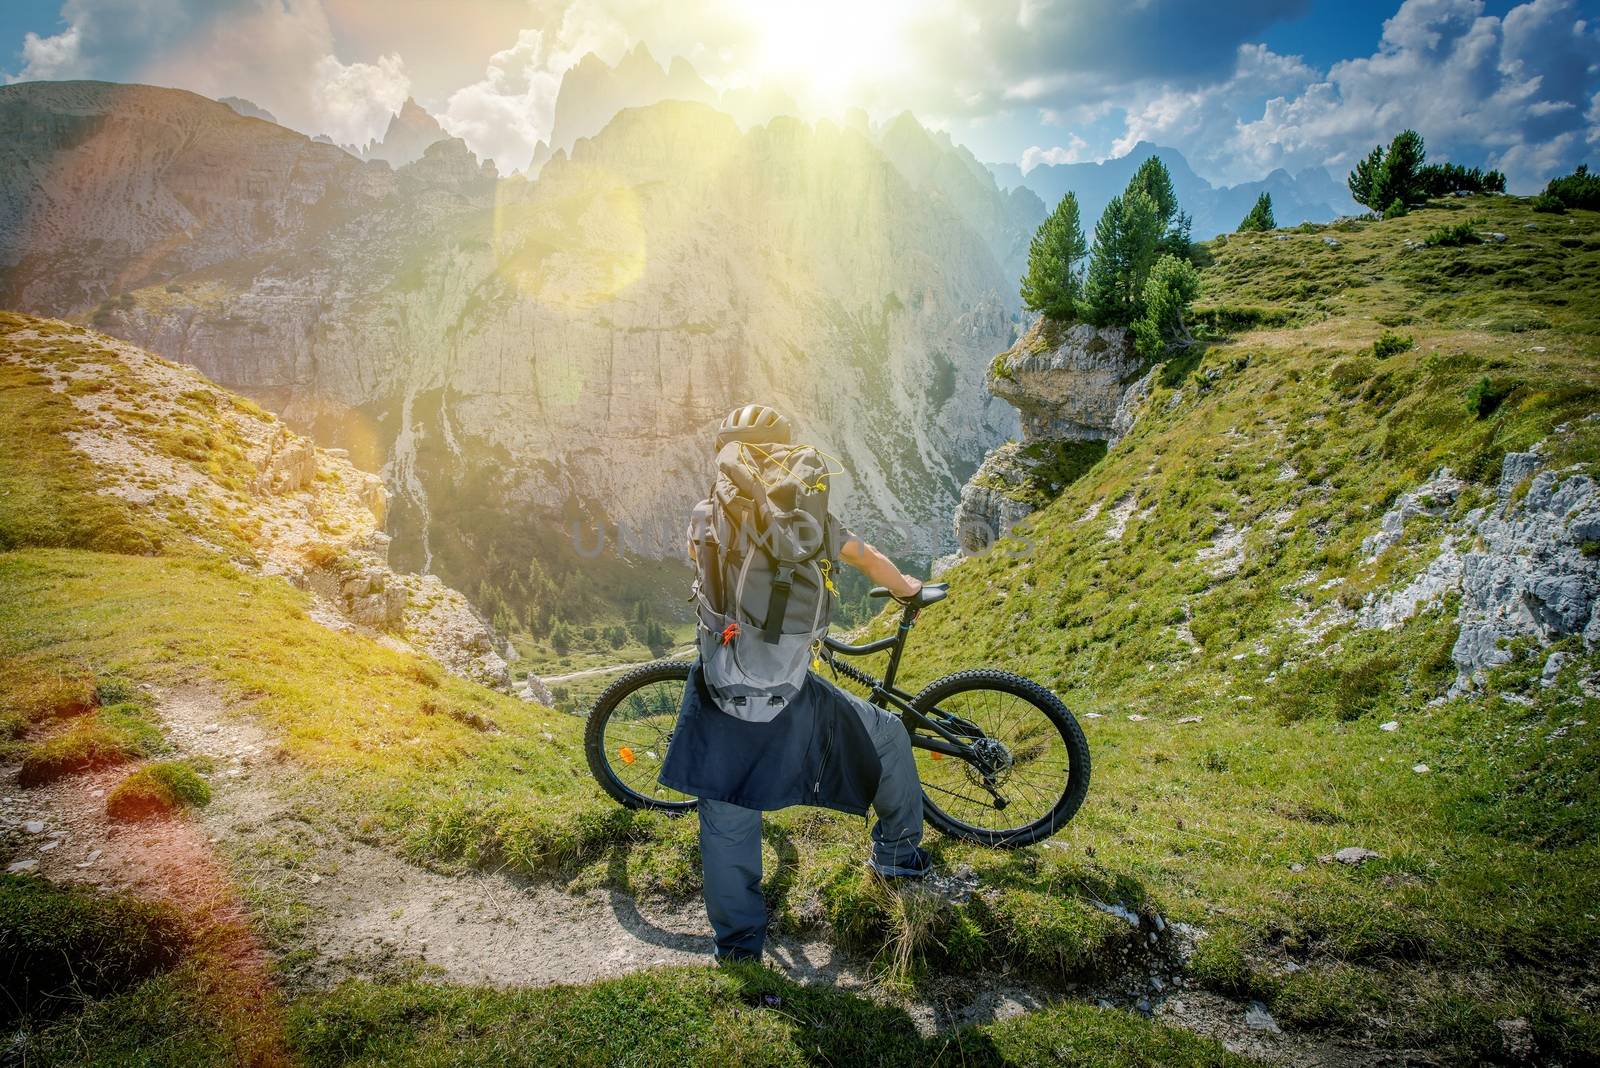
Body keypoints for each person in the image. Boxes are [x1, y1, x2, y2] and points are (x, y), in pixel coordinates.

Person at [658, 403, 934, 964]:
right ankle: (898, 856)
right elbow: (865, 556)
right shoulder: (806, 518)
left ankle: (738, 949)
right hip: (791, 694)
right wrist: (906, 589)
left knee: (726, 812)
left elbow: (696, 566)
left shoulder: (703, 515)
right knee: (889, 737)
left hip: (721, 686)